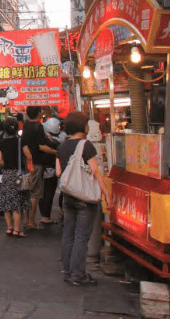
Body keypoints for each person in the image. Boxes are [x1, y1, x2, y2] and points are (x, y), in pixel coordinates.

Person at [57, 111, 110, 286]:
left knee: (68, 234)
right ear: (83, 126)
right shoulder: (86, 145)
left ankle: (67, 270)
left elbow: (59, 173)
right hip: (84, 198)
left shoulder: (62, 146)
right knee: (81, 236)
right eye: (87, 123)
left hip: (67, 196)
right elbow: (96, 172)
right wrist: (106, 194)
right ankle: (78, 275)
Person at [21, 106, 57, 230]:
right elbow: (41, 146)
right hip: (36, 162)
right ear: (38, 113)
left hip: (28, 162)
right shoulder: (38, 126)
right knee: (35, 193)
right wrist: (55, 152)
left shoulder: (26, 126)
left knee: (27, 190)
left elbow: (25, 144)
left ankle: (26, 220)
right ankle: (31, 221)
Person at [0, 117, 32, 238]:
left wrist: (7, 163)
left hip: (7, 174)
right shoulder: (21, 142)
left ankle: (9, 228)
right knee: (17, 204)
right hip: (19, 175)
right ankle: (17, 230)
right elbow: (28, 155)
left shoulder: (1, 143)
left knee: (7, 203)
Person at [39, 117, 62, 224]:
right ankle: (46, 216)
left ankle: (44, 215)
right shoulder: (57, 143)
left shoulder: (44, 141)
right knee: (49, 193)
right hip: (52, 170)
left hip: (43, 169)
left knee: (42, 193)